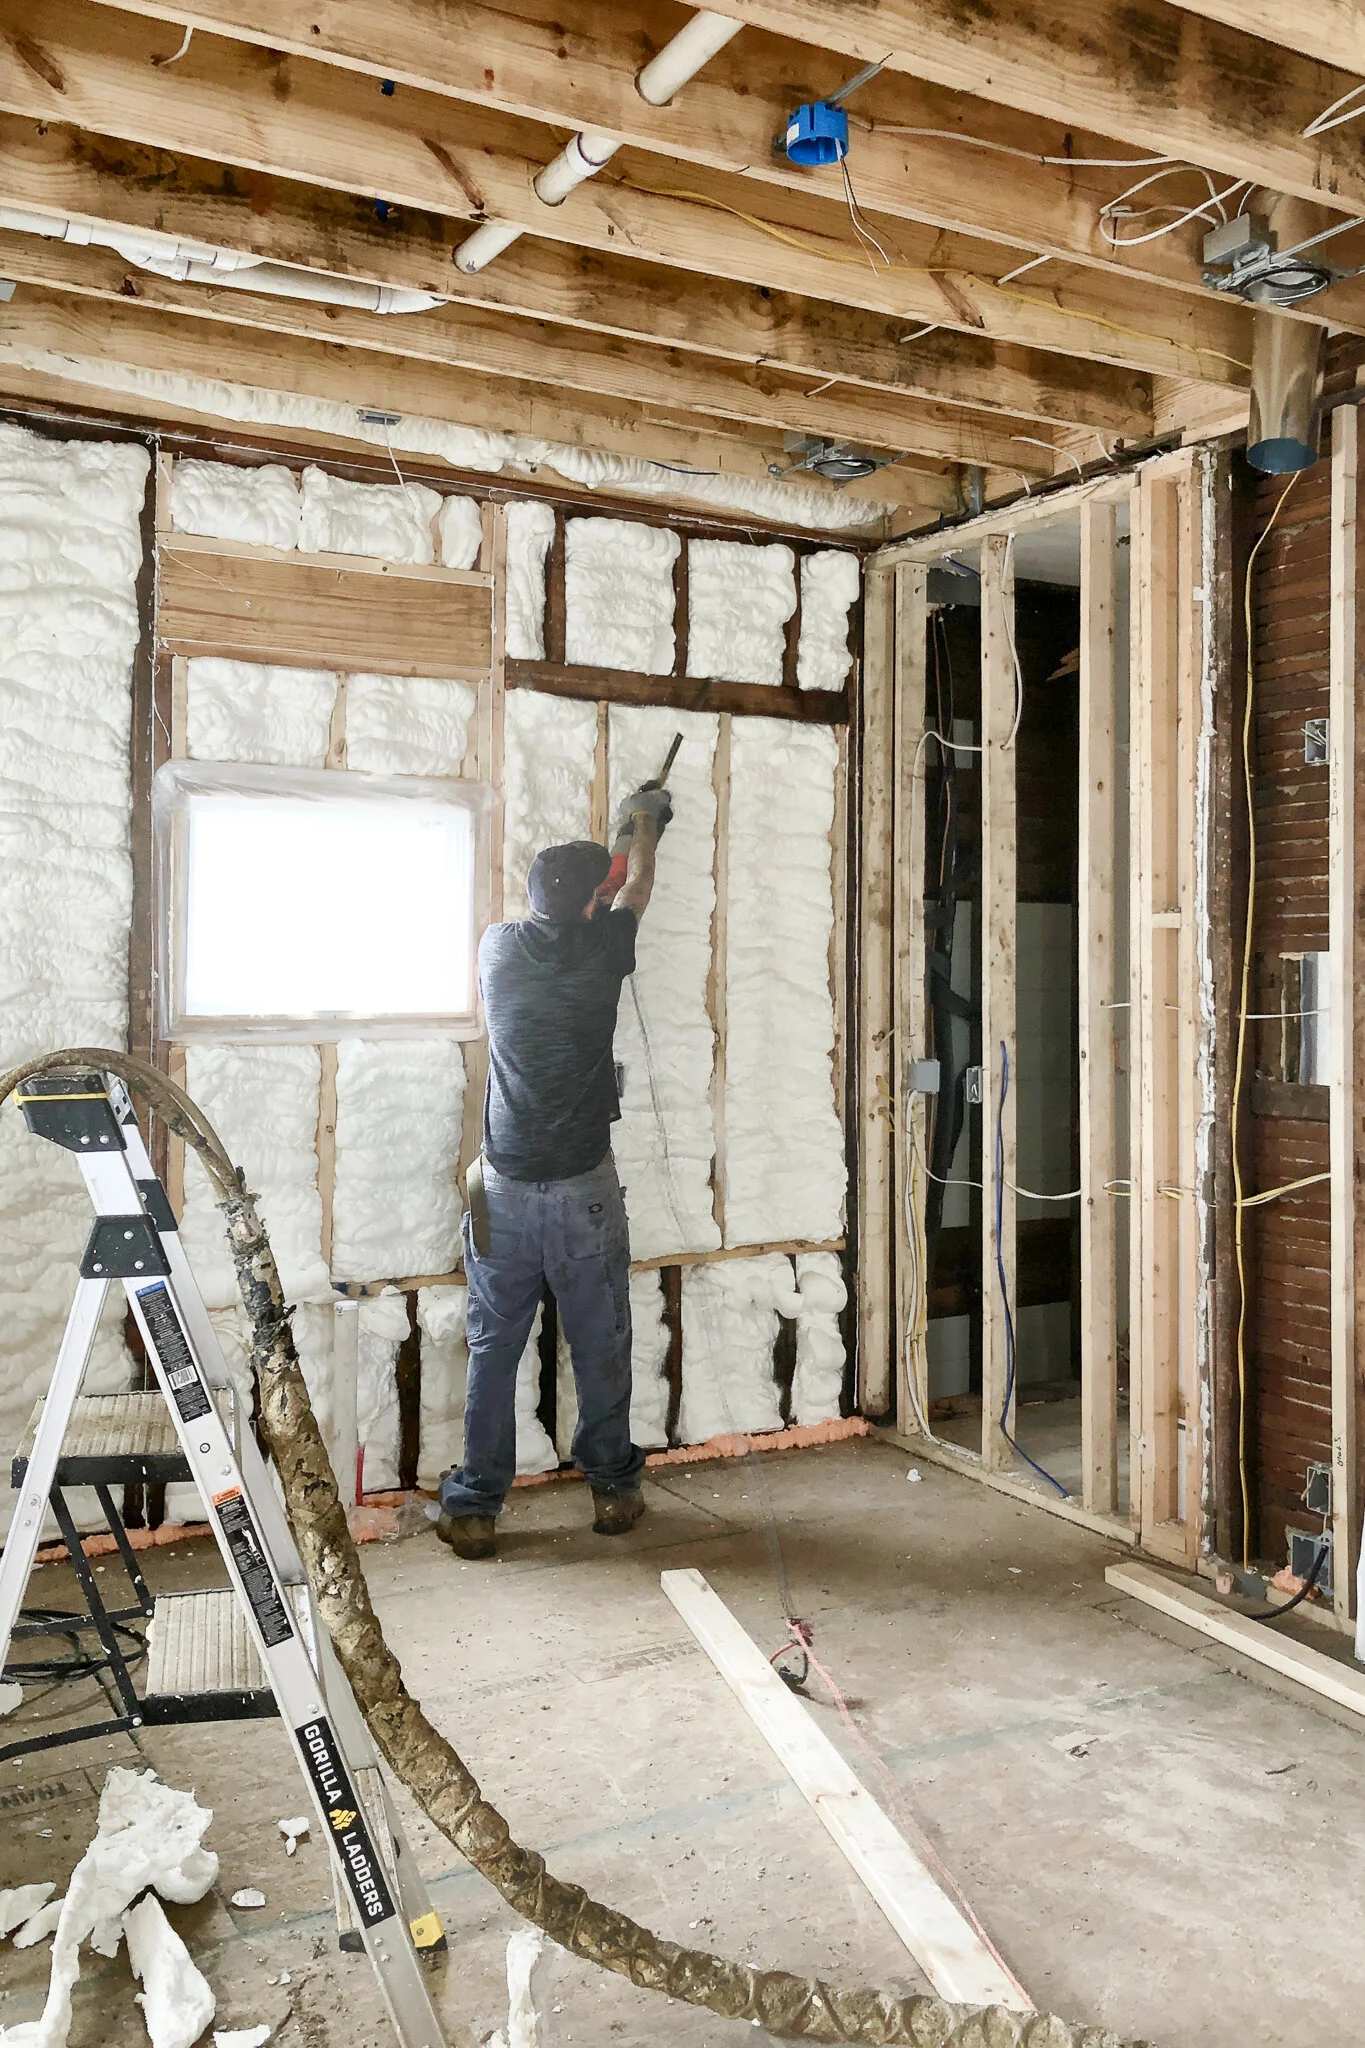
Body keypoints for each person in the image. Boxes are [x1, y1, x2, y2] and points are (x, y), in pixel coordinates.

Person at [434, 781, 673, 1560]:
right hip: (581, 1194)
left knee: (492, 1348)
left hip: (500, 1191)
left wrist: (592, 875)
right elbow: (635, 885)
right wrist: (645, 825)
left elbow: (583, 903)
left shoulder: (496, 949)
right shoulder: (606, 952)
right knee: (599, 1342)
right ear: (587, 908)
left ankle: (474, 1504)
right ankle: (611, 1488)